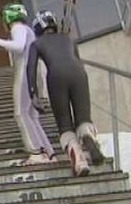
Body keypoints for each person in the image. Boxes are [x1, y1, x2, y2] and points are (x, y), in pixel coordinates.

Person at [27, 10, 105, 176]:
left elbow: (31, 69)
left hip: (56, 76)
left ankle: (79, 159)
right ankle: (87, 137)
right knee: (83, 119)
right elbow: (77, 59)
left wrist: (33, 94)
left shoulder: (37, 44)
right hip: (78, 73)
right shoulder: (68, 39)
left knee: (65, 125)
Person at [0, 3, 56, 165]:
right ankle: (48, 152)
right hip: (35, 73)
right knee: (32, 116)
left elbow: (18, 47)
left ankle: (36, 153)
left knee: (21, 114)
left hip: (25, 74)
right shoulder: (29, 30)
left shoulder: (18, 28)